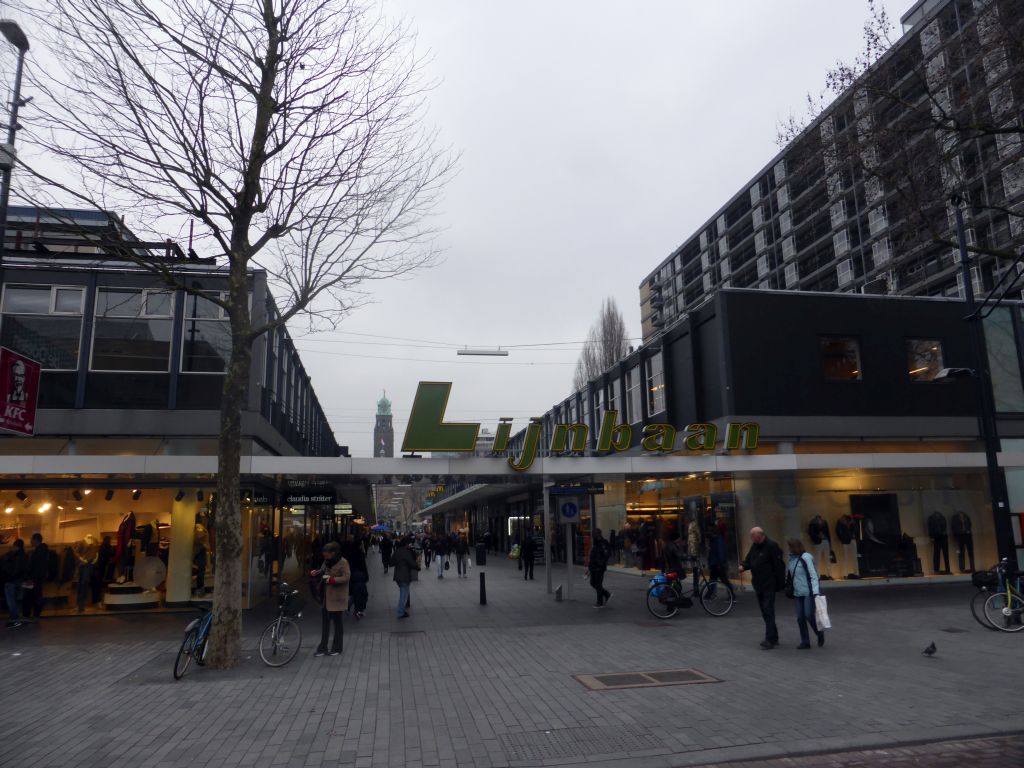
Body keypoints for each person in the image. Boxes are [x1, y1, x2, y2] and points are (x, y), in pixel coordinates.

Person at [739, 526, 786, 649]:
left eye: (752, 536)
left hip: (769, 584)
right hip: (758, 584)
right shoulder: (755, 546)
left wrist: (780, 584)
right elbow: (749, 560)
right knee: (765, 612)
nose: (751, 538)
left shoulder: (771, 546)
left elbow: (779, 566)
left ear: (759, 535)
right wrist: (743, 566)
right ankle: (774, 636)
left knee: (768, 610)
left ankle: (769, 639)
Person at [310, 541, 350, 657]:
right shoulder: (327, 561)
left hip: (337, 597)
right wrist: (315, 573)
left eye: (327, 555)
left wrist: (333, 580)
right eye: (324, 555)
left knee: (337, 623)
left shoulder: (343, 562)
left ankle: (337, 647)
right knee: (325, 623)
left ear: (333, 553)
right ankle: (323, 648)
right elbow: (322, 571)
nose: (325, 557)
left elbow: (347, 577)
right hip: (326, 597)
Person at [786, 538, 825, 649]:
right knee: (800, 618)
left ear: (795, 547)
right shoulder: (791, 559)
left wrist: (816, 592)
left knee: (808, 615)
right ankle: (805, 641)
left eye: (790, 546)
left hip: (808, 591)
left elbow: (813, 575)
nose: (788, 549)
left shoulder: (806, 557)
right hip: (797, 592)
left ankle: (819, 633)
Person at [22, 533, 49, 621]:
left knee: (31, 597)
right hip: (37, 578)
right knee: (35, 596)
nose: (30, 541)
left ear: (36, 540)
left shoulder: (40, 551)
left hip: (35, 579)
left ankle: (31, 615)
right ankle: (34, 615)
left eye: (31, 539)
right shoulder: (41, 550)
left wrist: (31, 579)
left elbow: (38, 567)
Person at [391, 537, 419, 618]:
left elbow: (391, 563)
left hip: (397, 577)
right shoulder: (406, 552)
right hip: (405, 576)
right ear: (406, 544)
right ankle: (400, 612)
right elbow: (412, 562)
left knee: (403, 593)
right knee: (404, 595)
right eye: (408, 544)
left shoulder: (397, 551)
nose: (409, 545)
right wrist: (418, 567)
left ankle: (402, 610)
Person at [2, 538, 28, 627]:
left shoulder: (16, 556)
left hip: (12, 581)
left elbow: (13, 570)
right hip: (18, 581)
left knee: (11, 601)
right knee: (14, 600)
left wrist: (8, 577)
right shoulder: (23, 555)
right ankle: (15, 618)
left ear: (16, 546)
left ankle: (14, 620)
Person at [588, 529, 613, 608]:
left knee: (598, 584)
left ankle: (600, 602)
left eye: (594, 534)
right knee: (593, 583)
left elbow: (607, 554)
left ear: (598, 534)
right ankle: (606, 594)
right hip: (593, 567)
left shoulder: (603, 543)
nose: (592, 536)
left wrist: (601, 562)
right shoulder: (596, 543)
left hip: (599, 567)